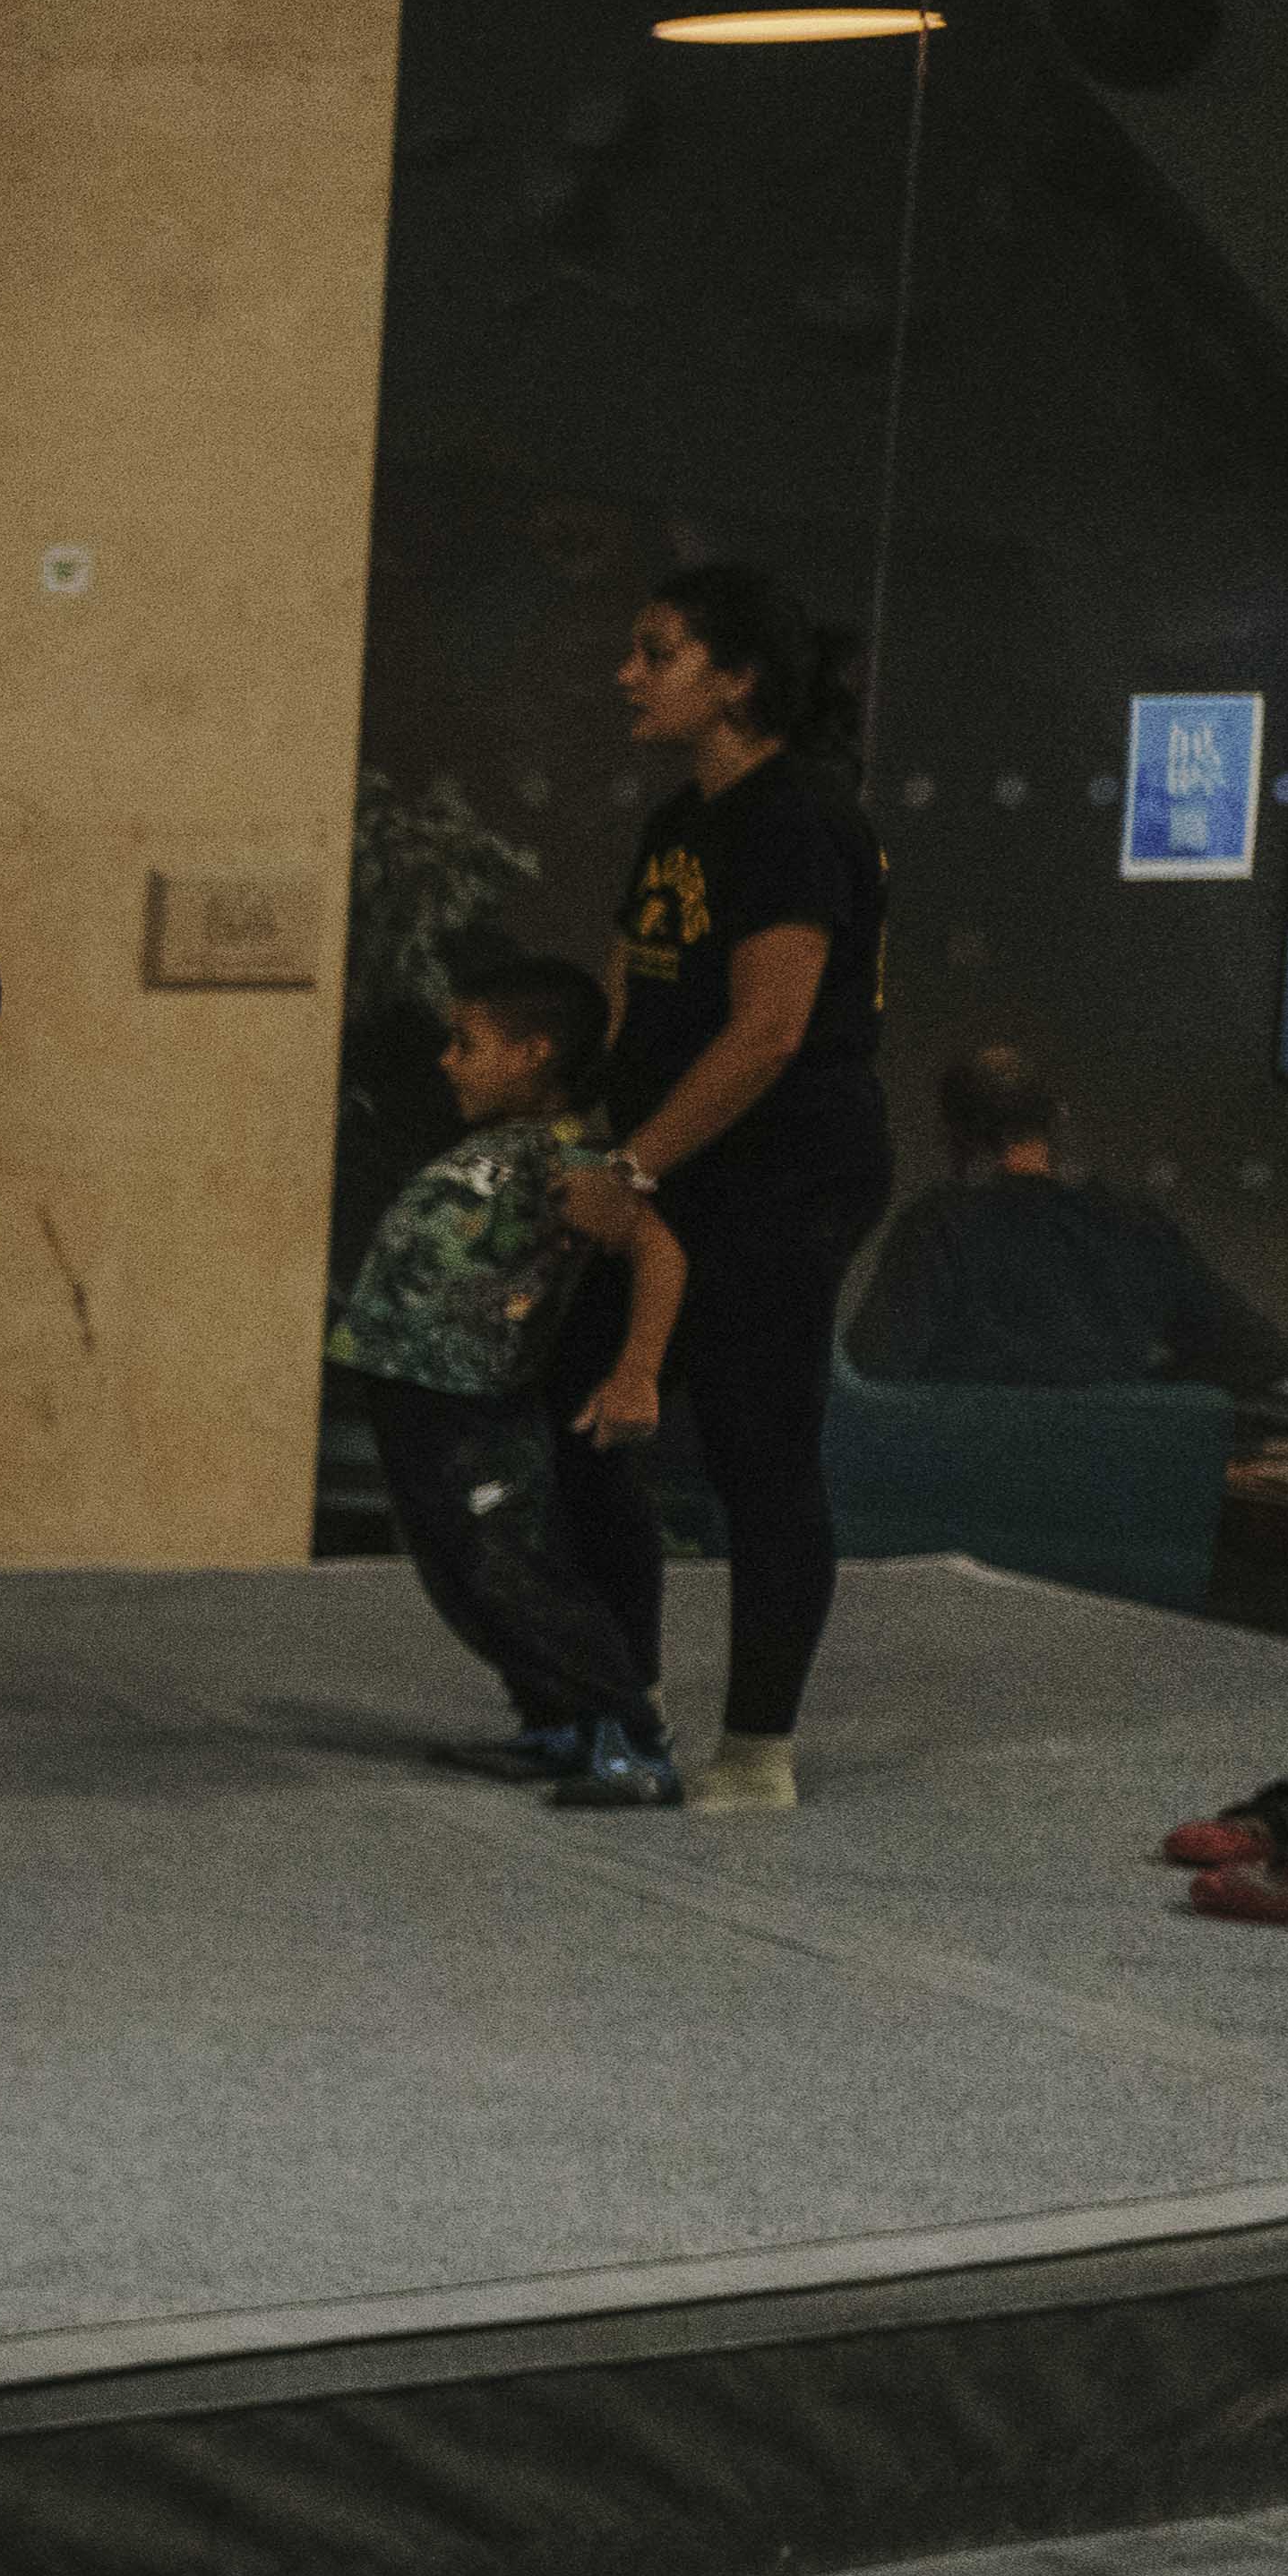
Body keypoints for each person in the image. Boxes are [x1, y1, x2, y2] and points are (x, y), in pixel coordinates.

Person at [545, 564, 889, 1814]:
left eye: (658, 651)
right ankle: (613, 1709)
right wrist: (593, 1138)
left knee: (759, 1448)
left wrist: (637, 1165)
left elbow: (769, 1033)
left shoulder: (796, 820)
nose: (629, 674)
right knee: (583, 1410)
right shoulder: (679, 821)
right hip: (676, 1162)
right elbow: (638, 991)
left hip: (782, 1170)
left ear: (737, 678)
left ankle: (757, 1752)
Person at [332, 958, 687, 1799]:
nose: (447, 1060)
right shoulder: (499, 1147)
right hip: (414, 1392)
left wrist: (637, 1374)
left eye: (468, 1043)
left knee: (513, 1569)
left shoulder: (576, 1155)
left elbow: (660, 1252)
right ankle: (558, 1723)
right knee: (457, 1571)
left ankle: (633, 1746)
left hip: (476, 1406)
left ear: (534, 1053)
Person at [854, 1043, 1288, 1396]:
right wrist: (1138, 1391)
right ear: (1054, 1121)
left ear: (953, 1135)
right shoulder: (1136, 1226)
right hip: (1114, 1491)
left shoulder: (939, 1227)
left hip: (971, 1485)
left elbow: (873, 1368)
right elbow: (1259, 1355)